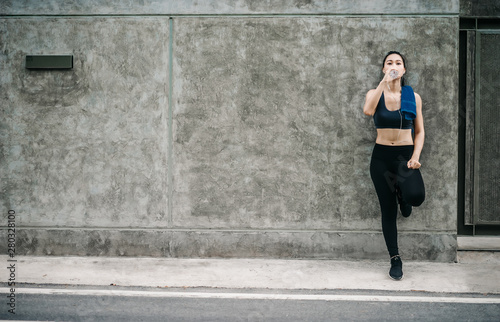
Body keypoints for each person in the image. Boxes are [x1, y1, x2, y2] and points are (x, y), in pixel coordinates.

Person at [362, 51, 426, 280]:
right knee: (387, 211)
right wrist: (383, 83)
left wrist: (416, 154)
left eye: (398, 63)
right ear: (383, 68)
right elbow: (368, 111)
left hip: (404, 156)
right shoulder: (374, 93)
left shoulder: (413, 97)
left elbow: (419, 131)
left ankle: (404, 197)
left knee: (416, 197)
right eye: (389, 63)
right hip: (381, 157)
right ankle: (395, 258)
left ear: (404, 70)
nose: (393, 66)